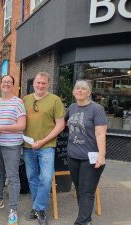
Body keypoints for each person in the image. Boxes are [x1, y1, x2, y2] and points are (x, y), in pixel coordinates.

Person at [23, 72, 65, 225]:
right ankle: (37, 208)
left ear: (48, 84)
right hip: (28, 146)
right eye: (38, 82)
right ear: (33, 83)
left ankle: (39, 208)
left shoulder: (55, 100)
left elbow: (60, 125)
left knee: (46, 178)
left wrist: (43, 141)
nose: (40, 85)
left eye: (44, 83)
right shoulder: (25, 100)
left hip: (46, 146)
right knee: (32, 178)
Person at [0, 75, 26, 225]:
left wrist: (3, 127)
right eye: (4, 81)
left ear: (13, 85)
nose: (6, 84)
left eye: (9, 82)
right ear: (0, 84)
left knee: (13, 177)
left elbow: (22, 125)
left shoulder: (18, 102)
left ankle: (13, 209)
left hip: (12, 145)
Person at [66, 80, 107, 225]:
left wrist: (101, 156)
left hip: (91, 158)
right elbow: (63, 124)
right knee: (79, 189)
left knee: (87, 192)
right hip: (73, 156)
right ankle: (87, 219)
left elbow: (101, 133)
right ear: (73, 91)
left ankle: (82, 222)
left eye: (84, 89)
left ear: (89, 93)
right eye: (77, 88)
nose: (80, 90)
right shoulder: (71, 108)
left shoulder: (97, 109)